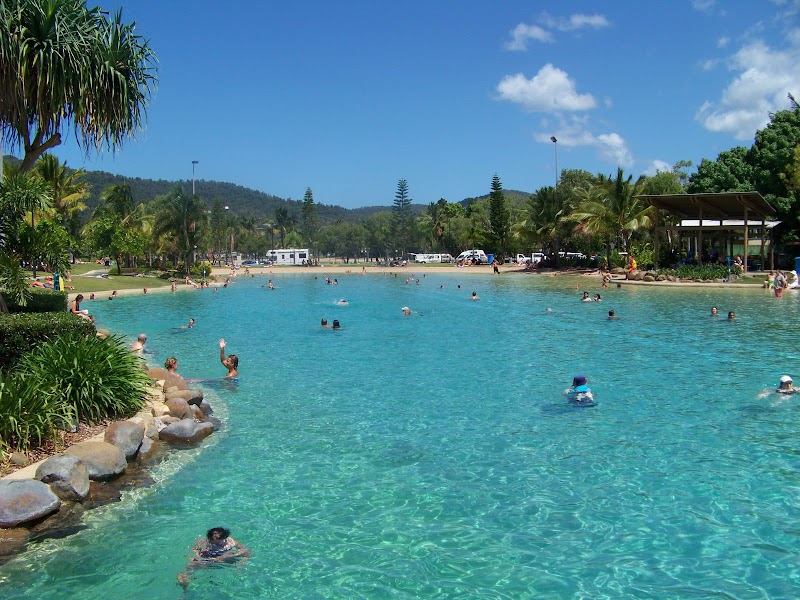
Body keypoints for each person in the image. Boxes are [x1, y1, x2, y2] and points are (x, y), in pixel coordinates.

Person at [177, 527, 250, 590]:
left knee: (233, 556)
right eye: (210, 541)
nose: (212, 543)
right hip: (208, 560)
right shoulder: (205, 541)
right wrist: (196, 555)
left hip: (224, 560)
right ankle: (185, 588)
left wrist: (241, 562)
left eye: (217, 543)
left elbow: (246, 551)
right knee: (189, 567)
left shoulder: (231, 542)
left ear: (225, 538)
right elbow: (194, 549)